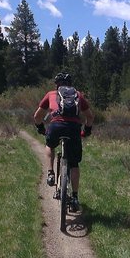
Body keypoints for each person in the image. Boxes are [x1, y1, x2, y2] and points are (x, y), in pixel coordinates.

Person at [33, 73, 94, 212]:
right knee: (74, 164)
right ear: (70, 84)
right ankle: (75, 197)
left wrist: (40, 128)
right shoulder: (78, 95)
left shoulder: (50, 94)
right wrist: (87, 131)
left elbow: (37, 116)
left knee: (50, 145)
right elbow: (90, 116)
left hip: (56, 127)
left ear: (57, 84)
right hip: (73, 129)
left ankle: (50, 173)